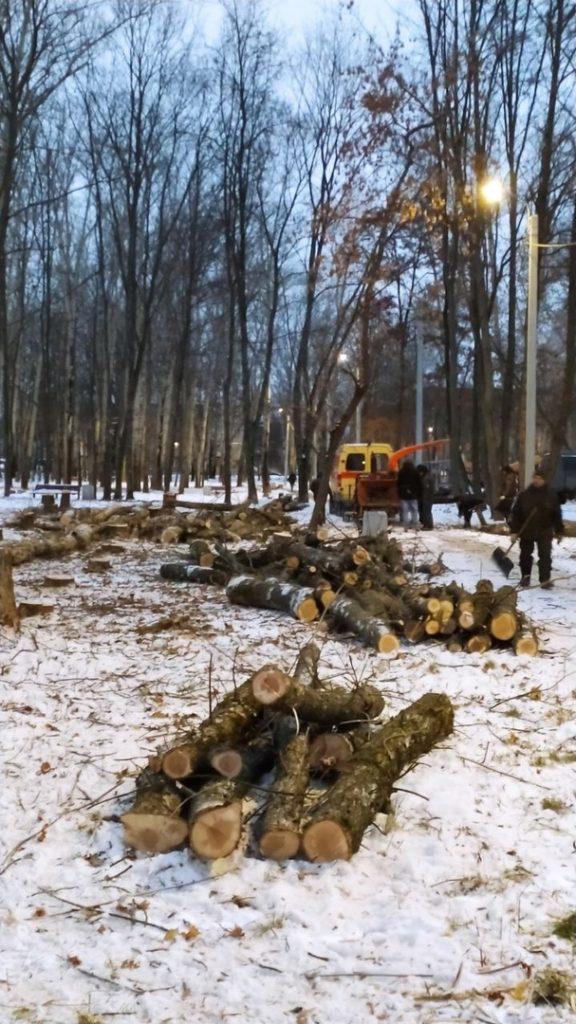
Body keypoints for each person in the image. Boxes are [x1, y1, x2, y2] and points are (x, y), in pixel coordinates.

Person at [509, 468, 564, 588]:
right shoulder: (524, 495)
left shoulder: (551, 495)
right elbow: (516, 514)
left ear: (544, 480)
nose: (536, 480)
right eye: (535, 477)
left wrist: (559, 531)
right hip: (527, 530)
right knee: (525, 555)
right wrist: (514, 531)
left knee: (545, 556)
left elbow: (557, 514)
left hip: (545, 530)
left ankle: (545, 580)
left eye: (539, 478)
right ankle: (525, 577)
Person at [397, 459, 421, 530]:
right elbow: (419, 483)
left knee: (405, 512)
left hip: (404, 495)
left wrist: (399, 493)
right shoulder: (415, 471)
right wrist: (418, 493)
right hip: (413, 495)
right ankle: (416, 526)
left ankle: (406, 527)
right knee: (414, 511)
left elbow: (398, 483)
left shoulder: (401, 472)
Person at [417, 464, 434, 529]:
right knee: (425, 512)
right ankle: (426, 524)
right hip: (425, 497)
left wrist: (424, 498)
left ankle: (428, 525)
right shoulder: (426, 477)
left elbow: (427, 489)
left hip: (426, 498)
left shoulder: (426, 478)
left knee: (426, 512)